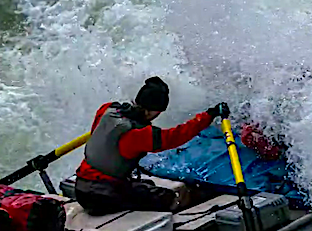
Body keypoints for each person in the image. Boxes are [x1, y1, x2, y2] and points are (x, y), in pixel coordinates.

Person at [74, 76, 230, 216]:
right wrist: (210, 114)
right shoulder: (138, 134)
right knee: (168, 198)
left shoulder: (107, 109)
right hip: (101, 196)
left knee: (145, 186)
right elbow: (176, 136)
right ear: (151, 112)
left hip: (81, 187)